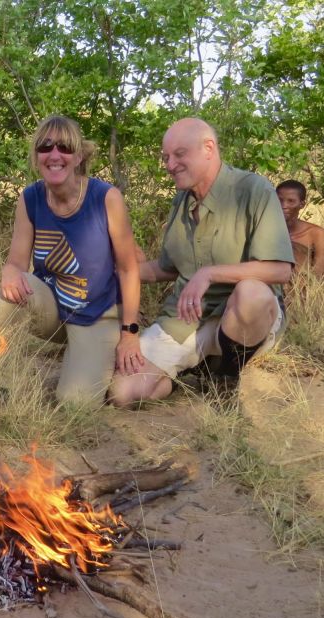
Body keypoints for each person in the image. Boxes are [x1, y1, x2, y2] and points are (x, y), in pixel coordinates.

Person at [108, 118, 293, 405]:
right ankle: (189, 370)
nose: (170, 165)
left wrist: (209, 274)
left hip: (241, 320)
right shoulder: (181, 200)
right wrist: (117, 271)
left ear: (208, 148)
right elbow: (168, 268)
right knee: (123, 393)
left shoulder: (253, 190)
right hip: (187, 319)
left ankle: (225, 378)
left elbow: (281, 270)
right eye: (166, 157)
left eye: (179, 154)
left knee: (252, 293)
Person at [0, 114, 142, 406]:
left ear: (78, 157)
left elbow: (128, 269)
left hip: (97, 315)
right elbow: (16, 263)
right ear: (36, 157)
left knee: (75, 405)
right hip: (53, 308)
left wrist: (130, 333)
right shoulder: (30, 198)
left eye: (64, 147)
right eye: (45, 147)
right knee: (12, 289)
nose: (54, 155)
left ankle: (89, 357)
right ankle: (1, 380)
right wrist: (9, 272)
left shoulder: (106, 198)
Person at [276, 180, 324, 277]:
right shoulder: (264, 229)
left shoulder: (316, 234)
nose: (283, 206)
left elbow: (318, 273)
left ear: (302, 204)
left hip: (302, 289)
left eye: (291, 201)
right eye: (279, 200)